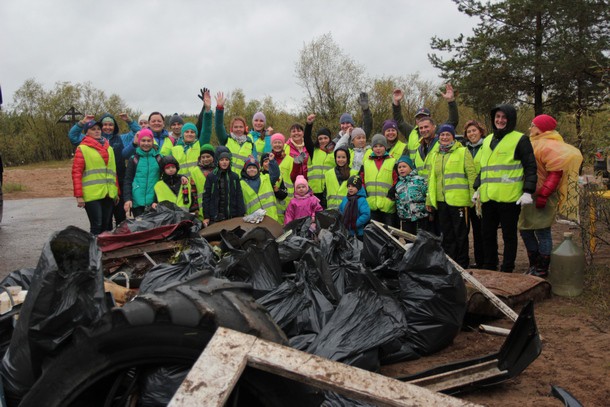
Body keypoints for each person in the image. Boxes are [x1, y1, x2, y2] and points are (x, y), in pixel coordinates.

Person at [473, 104, 537, 273]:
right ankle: (489, 265)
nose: (500, 121)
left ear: (510, 120)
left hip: (509, 198)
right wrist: (477, 187)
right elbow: (484, 167)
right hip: (488, 197)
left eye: (504, 117)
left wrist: (528, 191)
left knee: (509, 236)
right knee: (487, 234)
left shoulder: (520, 139)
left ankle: (507, 267)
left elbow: (530, 166)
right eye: (497, 117)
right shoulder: (487, 140)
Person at [518, 114, 583, 277]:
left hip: (543, 196)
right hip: (528, 194)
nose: (530, 128)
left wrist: (544, 194)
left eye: (533, 125)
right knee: (525, 230)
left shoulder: (550, 145)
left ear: (542, 128)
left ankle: (541, 268)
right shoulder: (533, 142)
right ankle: (534, 264)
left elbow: (555, 173)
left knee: (542, 231)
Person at [69, 112, 140, 228]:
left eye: (110, 125)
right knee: (101, 223)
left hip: (116, 184)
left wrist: (129, 120)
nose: (107, 127)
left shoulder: (121, 139)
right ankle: (101, 244)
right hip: (98, 188)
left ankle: (117, 242)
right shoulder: (87, 141)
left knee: (119, 217)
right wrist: (82, 122)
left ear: (114, 126)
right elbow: (73, 136)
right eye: (105, 124)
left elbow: (137, 134)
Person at [425, 124, 476, 268]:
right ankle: (450, 261)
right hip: (442, 201)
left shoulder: (462, 152)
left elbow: (471, 175)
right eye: (442, 135)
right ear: (438, 137)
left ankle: (463, 263)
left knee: (460, 234)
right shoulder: (436, 155)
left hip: (459, 201)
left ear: (453, 137)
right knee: (447, 234)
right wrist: (430, 199)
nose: (445, 137)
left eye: (448, 134)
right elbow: (432, 179)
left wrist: (474, 197)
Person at [71, 120, 119, 235]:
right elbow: (76, 172)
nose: (97, 131)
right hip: (92, 194)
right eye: (93, 129)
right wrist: (79, 196)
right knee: (96, 225)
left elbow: (113, 172)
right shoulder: (82, 149)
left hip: (108, 193)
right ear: (87, 132)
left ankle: (104, 251)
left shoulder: (109, 148)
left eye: (98, 129)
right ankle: (93, 251)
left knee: (106, 225)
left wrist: (116, 192)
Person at [392, 83, 459, 160]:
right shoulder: (411, 132)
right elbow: (399, 122)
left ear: (430, 118)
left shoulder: (439, 130)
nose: (421, 120)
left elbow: (453, 121)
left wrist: (451, 101)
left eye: (424, 117)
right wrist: (396, 103)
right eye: (418, 118)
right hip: (416, 171)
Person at [214, 91, 257, 175]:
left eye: (241, 127)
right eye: (235, 127)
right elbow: (218, 126)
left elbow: (254, 163)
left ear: (244, 128)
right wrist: (220, 108)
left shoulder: (250, 144)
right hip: (227, 178)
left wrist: (253, 160)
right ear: (231, 129)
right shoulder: (226, 139)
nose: (238, 129)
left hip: (243, 180)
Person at [360, 134, 398, 227]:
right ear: (372, 148)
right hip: (371, 204)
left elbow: (397, 180)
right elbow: (361, 181)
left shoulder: (393, 161)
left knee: (389, 234)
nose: (378, 149)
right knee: (374, 234)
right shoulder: (366, 163)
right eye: (375, 146)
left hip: (388, 205)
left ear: (385, 147)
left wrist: (391, 196)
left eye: (381, 146)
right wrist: (365, 195)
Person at [464, 120, 487, 268]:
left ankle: (487, 260)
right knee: (474, 231)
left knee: (484, 230)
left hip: (484, 193)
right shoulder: (463, 149)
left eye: (474, 130)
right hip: (469, 195)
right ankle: (479, 261)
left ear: (480, 131)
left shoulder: (487, 146)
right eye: (469, 132)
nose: (472, 134)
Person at [123, 129, 161, 217]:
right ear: (139, 142)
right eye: (143, 140)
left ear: (152, 142)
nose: (146, 143)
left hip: (153, 202)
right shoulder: (134, 159)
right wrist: (127, 199)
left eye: (149, 141)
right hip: (137, 201)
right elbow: (128, 180)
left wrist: (182, 177)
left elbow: (168, 174)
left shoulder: (159, 158)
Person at [202, 148, 245, 226]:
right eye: (222, 160)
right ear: (218, 162)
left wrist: (241, 215)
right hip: (215, 217)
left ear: (230, 161)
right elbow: (206, 197)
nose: (224, 162)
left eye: (226, 160)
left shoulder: (234, 177)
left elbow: (239, 197)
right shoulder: (211, 176)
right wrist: (206, 216)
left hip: (231, 216)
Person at [387, 156, 428, 235]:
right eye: (399, 167)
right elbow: (398, 201)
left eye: (404, 166)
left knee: (422, 238)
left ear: (411, 168)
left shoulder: (419, 180)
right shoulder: (398, 185)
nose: (401, 169)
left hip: (420, 217)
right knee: (409, 239)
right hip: (406, 218)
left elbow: (426, 194)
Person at [304, 114, 335, 208]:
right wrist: (309, 124)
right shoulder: (314, 150)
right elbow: (306, 138)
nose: (323, 141)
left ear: (329, 139)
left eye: (325, 138)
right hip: (315, 192)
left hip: (329, 191)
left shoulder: (335, 152)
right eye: (320, 138)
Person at [240, 157, 279, 222]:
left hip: (271, 217)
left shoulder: (266, 178)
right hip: (254, 220)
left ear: (258, 169)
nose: (252, 169)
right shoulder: (241, 184)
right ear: (245, 169)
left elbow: (276, 174)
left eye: (254, 168)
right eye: (249, 168)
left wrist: (272, 161)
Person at [269, 133, 295, 223]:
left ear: (283, 144)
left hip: (286, 196)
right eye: (275, 142)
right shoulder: (267, 159)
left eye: (279, 142)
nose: (277, 145)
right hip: (272, 194)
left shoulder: (290, 159)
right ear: (271, 144)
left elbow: (294, 177)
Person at [339, 175, 371, 239]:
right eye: (349, 186)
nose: (350, 188)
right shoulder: (345, 199)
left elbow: (366, 214)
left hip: (358, 233)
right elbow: (340, 211)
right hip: (346, 232)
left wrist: (355, 224)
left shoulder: (362, 200)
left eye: (353, 186)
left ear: (358, 187)